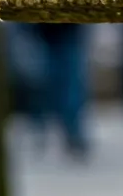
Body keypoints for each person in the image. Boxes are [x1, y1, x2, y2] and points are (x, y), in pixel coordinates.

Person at [15, 23, 91, 160]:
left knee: (47, 71)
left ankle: (47, 128)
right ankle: (70, 132)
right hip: (61, 21)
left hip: (43, 21)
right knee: (64, 71)